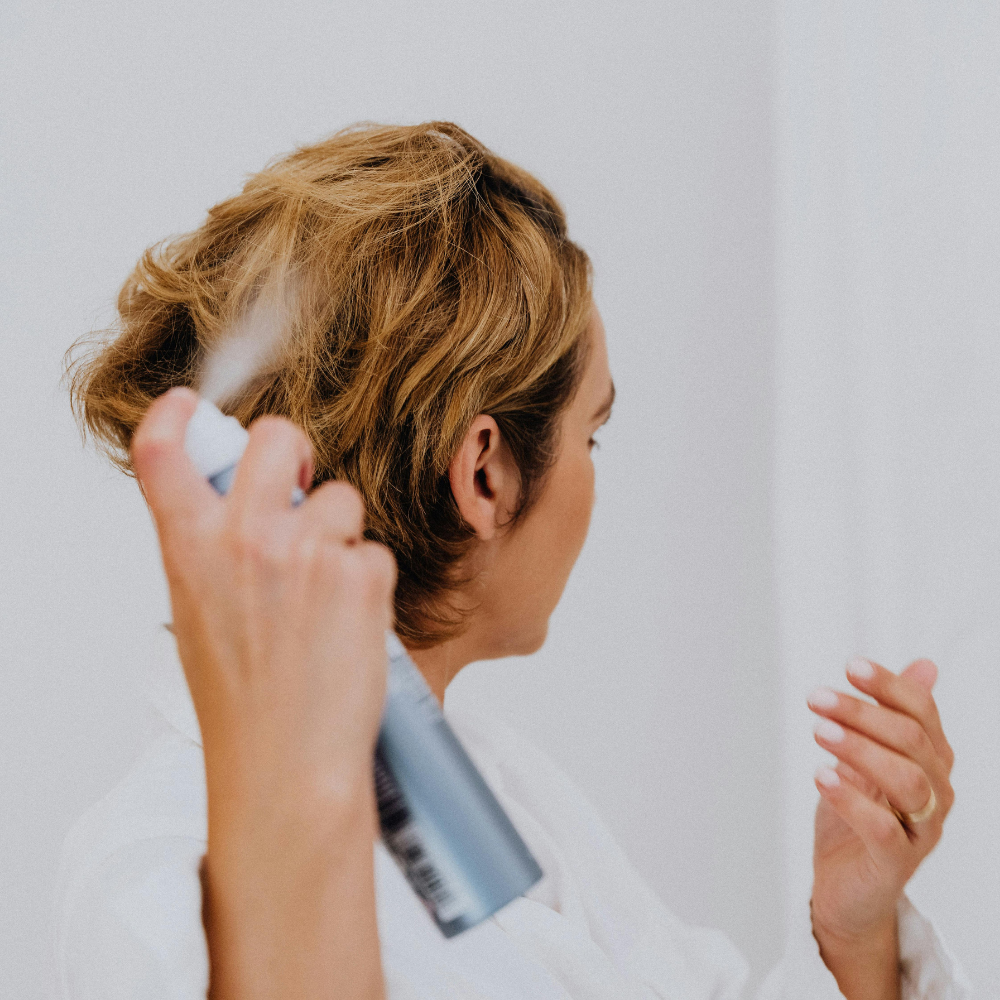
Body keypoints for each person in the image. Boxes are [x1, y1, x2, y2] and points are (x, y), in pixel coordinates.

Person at [58, 122, 969, 1000]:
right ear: (485, 474)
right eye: (591, 434)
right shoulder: (155, 882)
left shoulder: (495, 788)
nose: (594, 477)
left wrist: (853, 933)